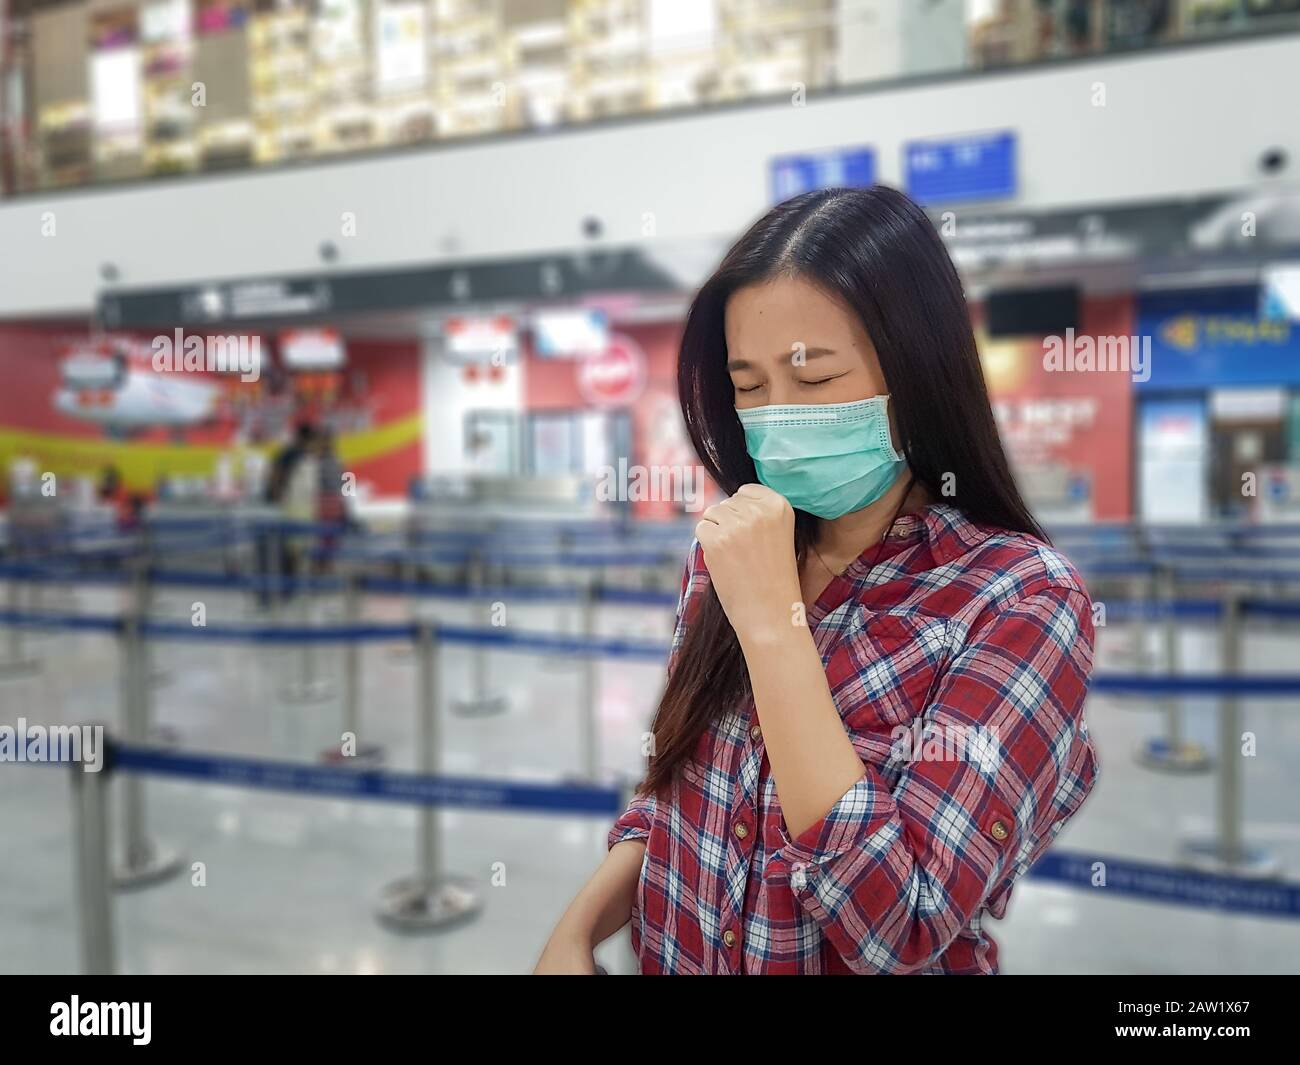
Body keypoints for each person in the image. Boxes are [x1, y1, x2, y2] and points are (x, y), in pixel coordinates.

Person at [535, 185, 1098, 975]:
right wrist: (575, 928)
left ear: (917, 371)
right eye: (751, 386)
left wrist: (776, 634)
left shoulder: (1020, 599)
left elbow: (900, 925)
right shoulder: (732, 547)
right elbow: (677, 792)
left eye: (815, 378)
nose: (777, 417)